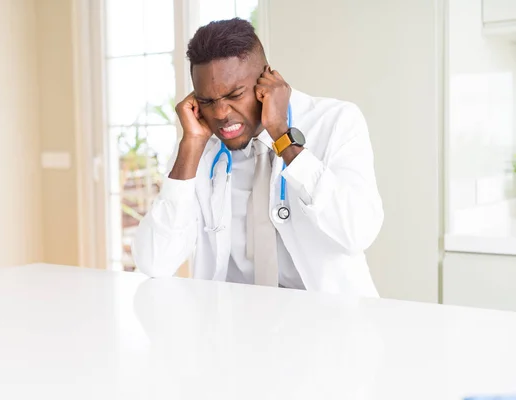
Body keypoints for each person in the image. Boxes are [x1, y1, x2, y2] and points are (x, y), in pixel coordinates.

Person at [133, 18, 383, 296]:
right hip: (234, 322)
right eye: (206, 101)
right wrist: (190, 147)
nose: (220, 113)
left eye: (234, 94)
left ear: (268, 80)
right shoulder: (200, 146)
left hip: (327, 322)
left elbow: (358, 232)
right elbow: (154, 262)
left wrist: (282, 135)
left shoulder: (335, 122)